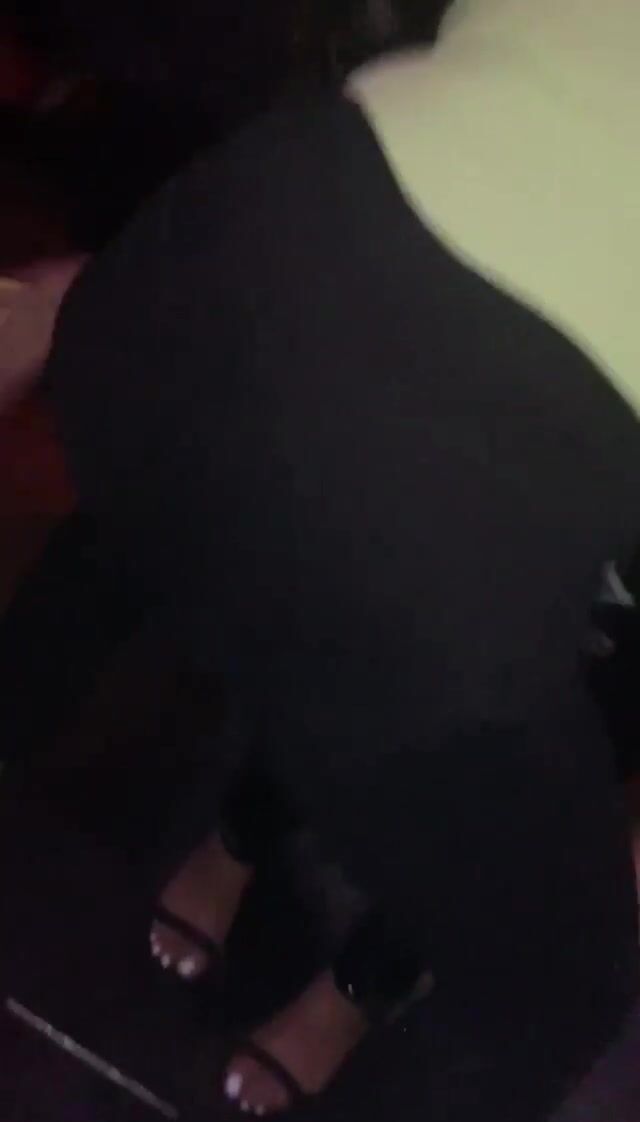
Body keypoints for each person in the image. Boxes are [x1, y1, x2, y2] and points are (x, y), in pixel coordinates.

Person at [14, 1, 640, 1118]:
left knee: (310, 587)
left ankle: (261, 829)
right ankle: (356, 956)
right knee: (559, 983)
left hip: (185, 292)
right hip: (416, 551)